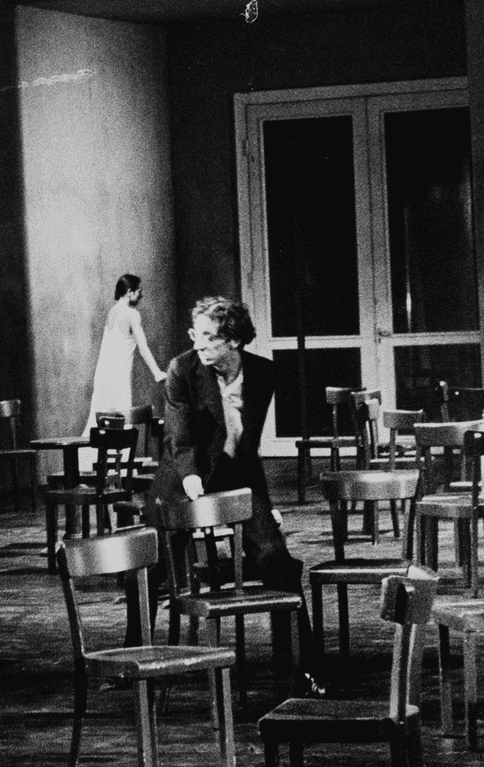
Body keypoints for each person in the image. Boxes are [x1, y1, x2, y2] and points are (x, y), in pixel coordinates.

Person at [143, 296, 318, 680]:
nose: (199, 344)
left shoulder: (264, 373)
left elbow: (246, 444)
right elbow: (180, 436)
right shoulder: (182, 370)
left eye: (209, 337)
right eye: (196, 335)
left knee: (275, 555)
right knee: (152, 565)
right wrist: (191, 479)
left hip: (237, 477)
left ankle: (301, 666)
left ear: (234, 340)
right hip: (181, 478)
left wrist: (264, 504)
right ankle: (132, 658)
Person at [83, 274, 167, 432]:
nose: (141, 295)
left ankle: (93, 457)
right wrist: (157, 373)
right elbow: (143, 347)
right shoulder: (131, 314)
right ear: (130, 292)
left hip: (102, 378)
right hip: (117, 378)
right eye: (139, 291)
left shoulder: (113, 311)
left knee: (98, 427)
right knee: (121, 428)